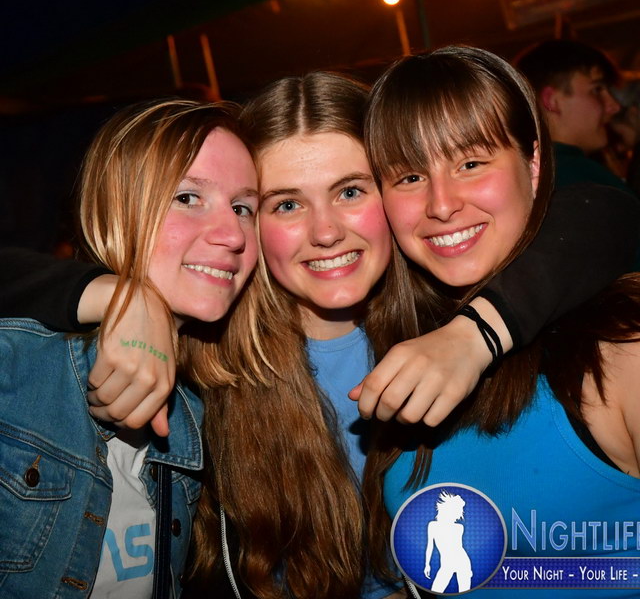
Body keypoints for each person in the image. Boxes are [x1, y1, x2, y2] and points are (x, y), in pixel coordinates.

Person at [2, 72, 640, 596]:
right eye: (285, 203)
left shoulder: (469, 321)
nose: (326, 231)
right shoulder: (205, 364)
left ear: (393, 194)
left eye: (351, 191)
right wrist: (119, 295)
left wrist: (475, 335)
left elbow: (605, 213)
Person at [362, 46, 640, 597]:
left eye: (471, 163)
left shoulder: (620, 344)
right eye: (410, 176)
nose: (442, 204)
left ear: (533, 165)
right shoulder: (399, 338)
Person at [0, 99, 261, 598]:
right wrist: (122, 295)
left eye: (242, 207)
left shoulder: (205, 405)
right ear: (115, 209)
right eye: (188, 197)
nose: (232, 235)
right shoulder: (17, 373)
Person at [514, 39, 625, 192]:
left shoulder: (522, 176)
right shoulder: (582, 178)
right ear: (551, 100)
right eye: (597, 90)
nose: (614, 106)